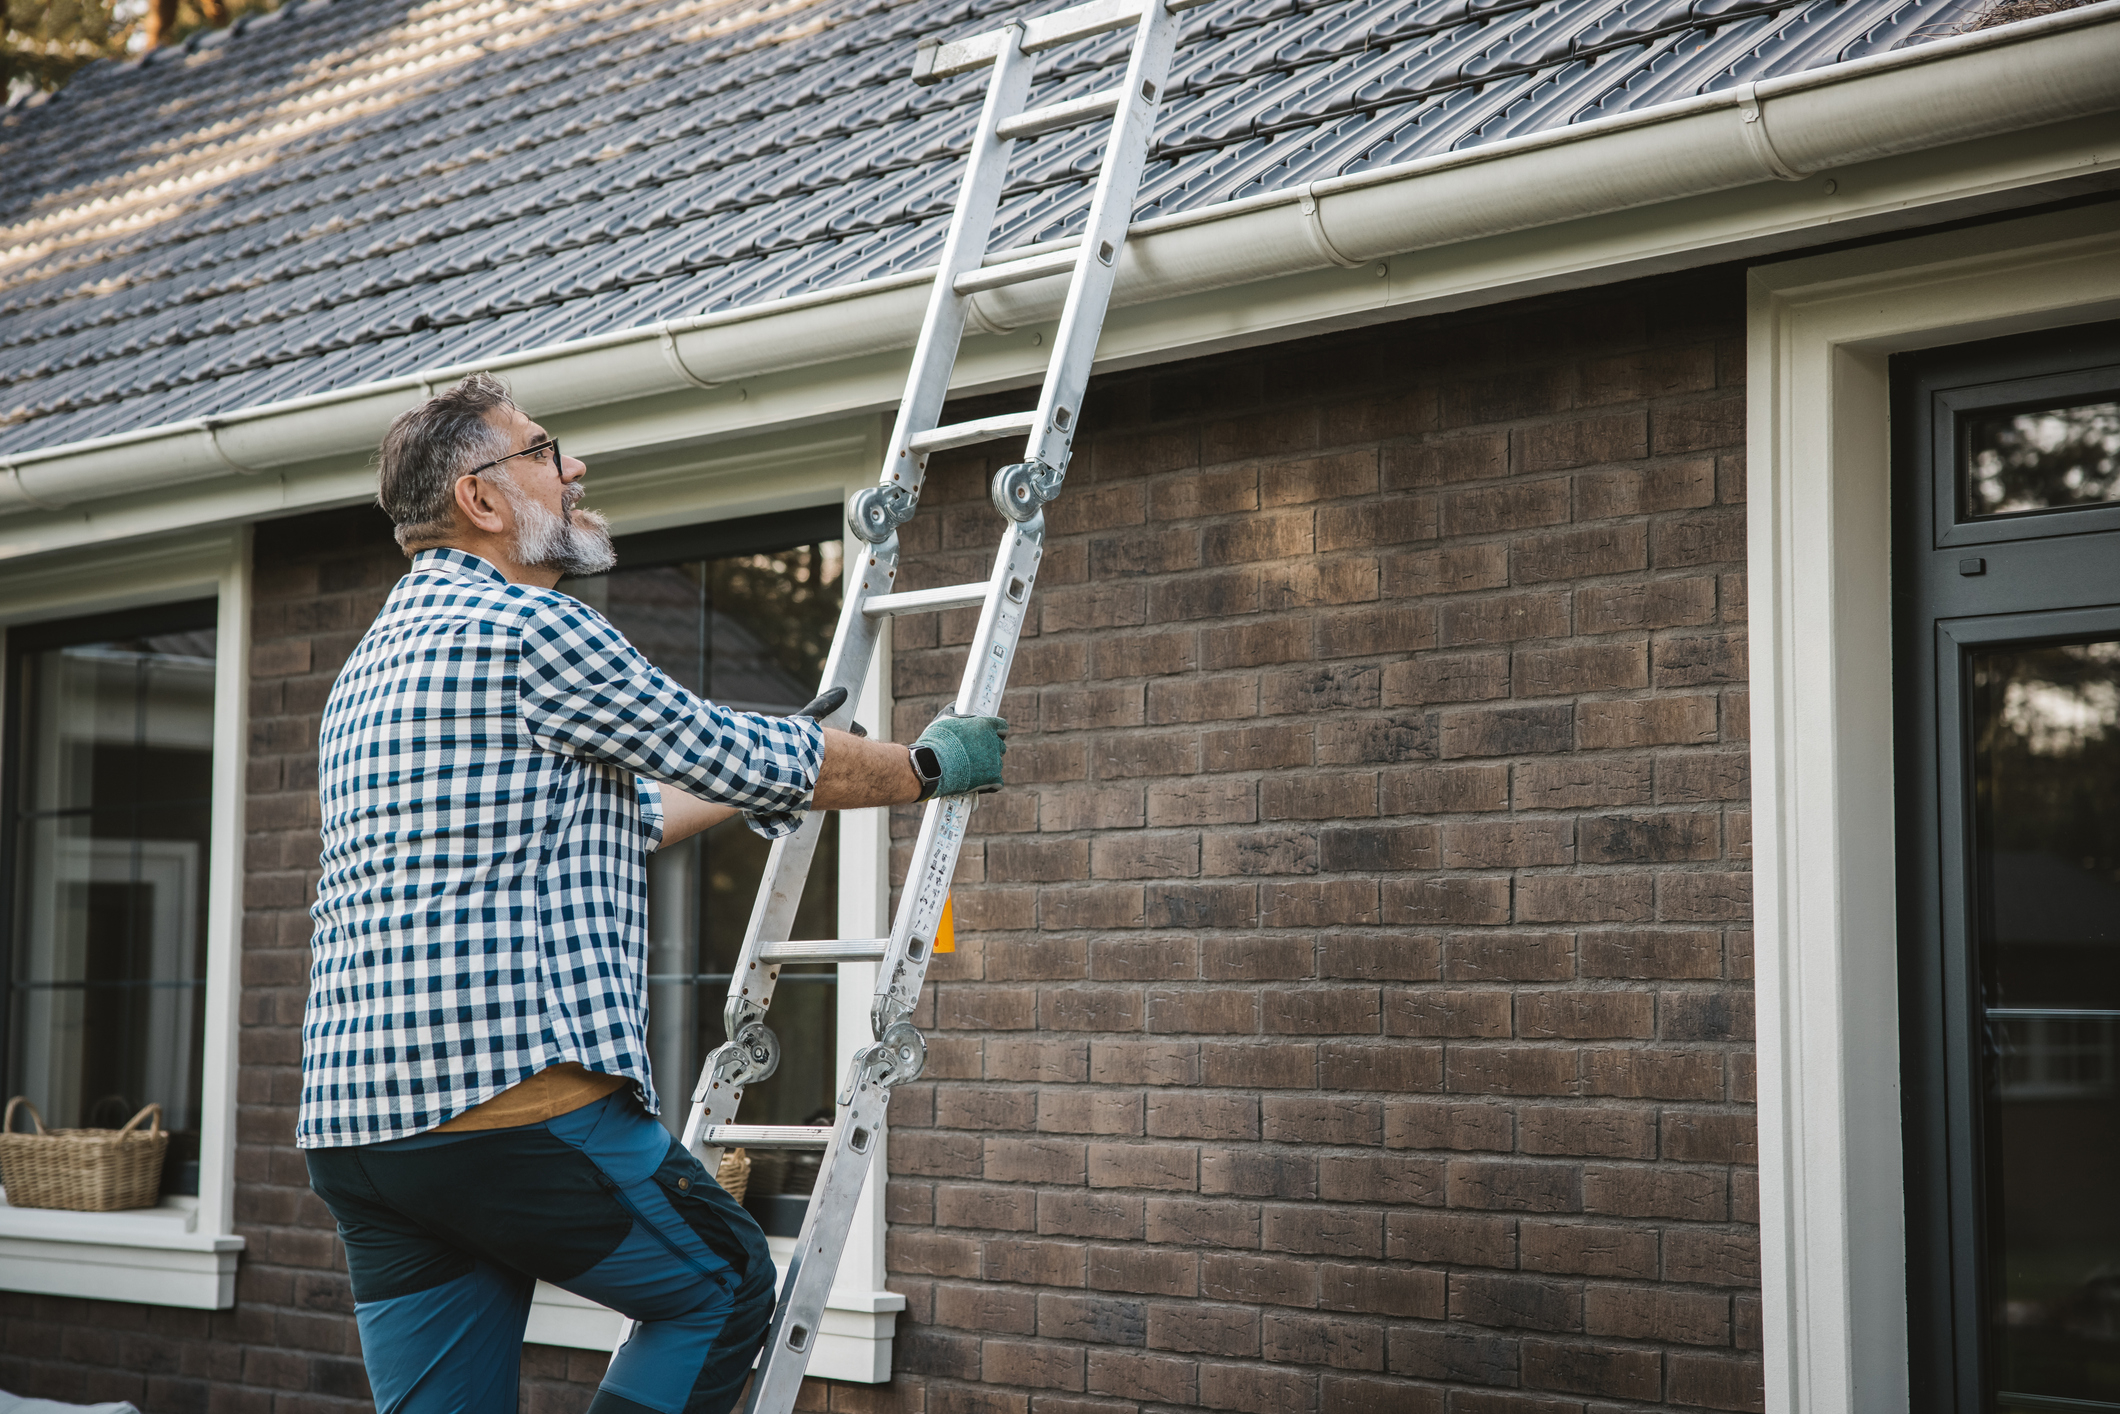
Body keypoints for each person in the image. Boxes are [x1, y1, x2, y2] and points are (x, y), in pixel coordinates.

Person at [298, 373, 1007, 1414]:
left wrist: (747, 781)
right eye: (545, 450)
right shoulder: (529, 627)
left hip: (362, 1135)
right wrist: (919, 768)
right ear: (481, 501)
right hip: (507, 1106)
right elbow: (728, 748)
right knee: (720, 1285)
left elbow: (624, 812)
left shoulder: (369, 667)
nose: (573, 467)